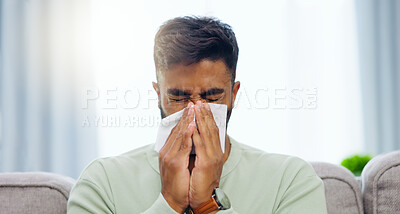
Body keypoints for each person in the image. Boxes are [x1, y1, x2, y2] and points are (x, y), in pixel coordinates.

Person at [67, 16, 327, 214]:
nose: (194, 111)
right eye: (178, 97)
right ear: (158, 95)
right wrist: (169, 203)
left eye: (212, 97)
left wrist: (207, 205)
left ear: (233, 95)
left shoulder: (290, 179)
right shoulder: (102, 182)